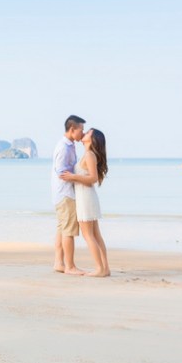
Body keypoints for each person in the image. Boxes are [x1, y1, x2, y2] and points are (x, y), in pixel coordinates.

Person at [67, 127, 110, 277]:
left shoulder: (90, 154)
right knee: (96, 235)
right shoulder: (87, 154)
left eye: (88, 132)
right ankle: (105, 268)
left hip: (86, 197)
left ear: (93, 139)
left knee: (89, 235)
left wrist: (72, 177)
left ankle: (100, 269)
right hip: (86, 196)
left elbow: (93, 178)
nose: (84, 133)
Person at [51, 115, 88, 275]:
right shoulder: (64, 147)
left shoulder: (69, 145)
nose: (83, 133)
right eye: (81, 129)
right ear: (72, 129)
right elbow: (61, 171)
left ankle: (59, 263)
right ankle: (70, 266)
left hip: (61, 193)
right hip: (65, 194)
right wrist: (79, 176)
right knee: (68, 231)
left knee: (62, 229)